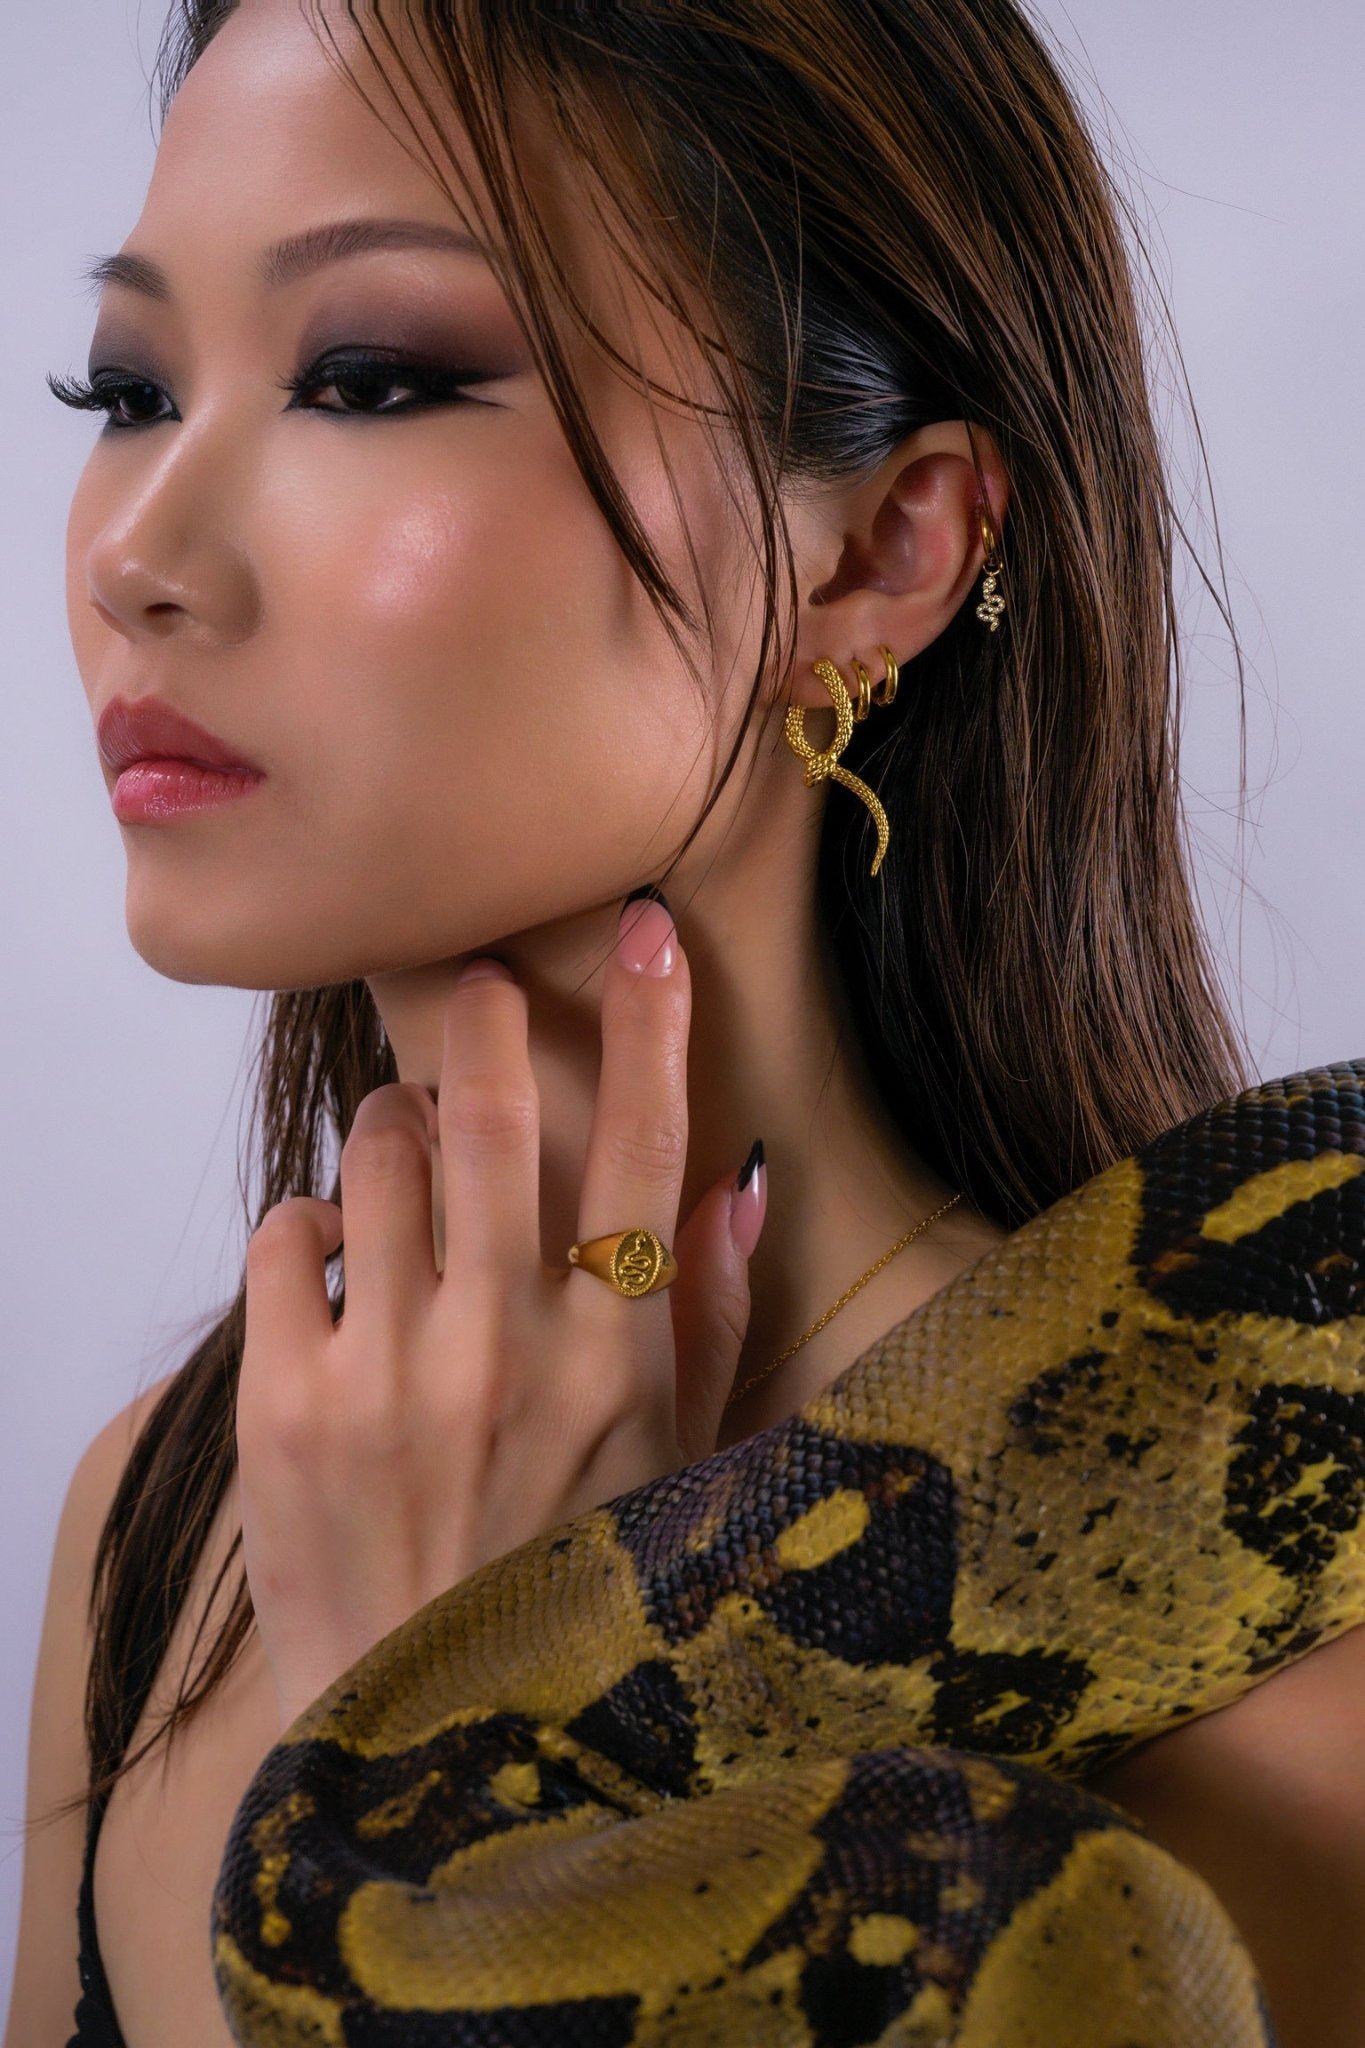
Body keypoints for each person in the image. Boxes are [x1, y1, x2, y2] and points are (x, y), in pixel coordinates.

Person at [8, 2, 1363, 2044]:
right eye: (127, 389)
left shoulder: (1301, 1747)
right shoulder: (158, 1514)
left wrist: (429, 1743)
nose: (133, 555)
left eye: (370, 378)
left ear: (881, 550)